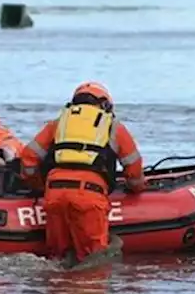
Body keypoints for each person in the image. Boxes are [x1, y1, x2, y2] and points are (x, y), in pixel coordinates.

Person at [20, 81, 146, 267]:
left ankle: (58, 293)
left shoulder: (57, 124)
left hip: (54, 193)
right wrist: (137, 188)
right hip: (89, 195)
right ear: (105, 104)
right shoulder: (112, 126)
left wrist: (38, 185)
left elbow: (28, 159)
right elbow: (134, 170)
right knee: (94, 262)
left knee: (57, 260)